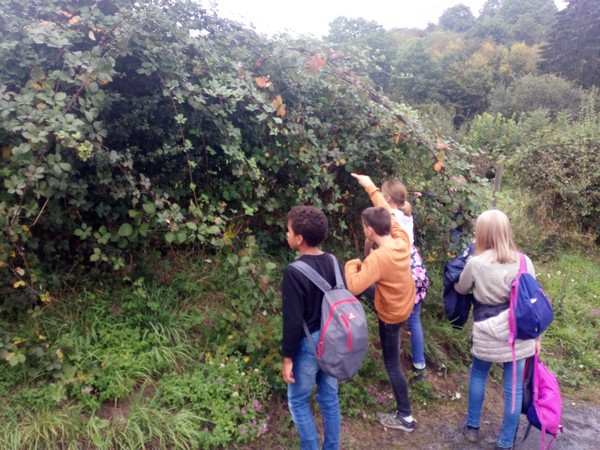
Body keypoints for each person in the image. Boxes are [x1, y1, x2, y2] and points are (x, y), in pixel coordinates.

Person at [454, 209, 541, 450]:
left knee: (478, 374)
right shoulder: (524, 261)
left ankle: (472, 429)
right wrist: (537, 337)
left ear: (481, 233)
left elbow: (461, 289)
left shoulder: (475, 263)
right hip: (519, 332)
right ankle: (505, 443)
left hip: (486, 329)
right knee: (513, 388)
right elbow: (533, 300)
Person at [344, 173, 416, 432]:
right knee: (369, 288)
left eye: (364, 227)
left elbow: (354, 284)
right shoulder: (401, 240)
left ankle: (405, 417)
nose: (364, 230)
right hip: (403, 301)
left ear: (370, 231)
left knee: (392, 363)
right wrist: (369, 186)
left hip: (391, 314)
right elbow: (388, 211)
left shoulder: (378, 258)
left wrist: (352, 263)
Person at [281, 205, 341, 450]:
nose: (286, 235)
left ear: (299, 238)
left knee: (298, 401)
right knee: (329, 399)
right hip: (334, 339)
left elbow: (293, 321)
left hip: (309, 344)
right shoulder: (334, 262)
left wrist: (287, 358)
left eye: (288, 230)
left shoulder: (293, 272)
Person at [364, 179, 431, 381]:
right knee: (414, 319)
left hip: (404, 271)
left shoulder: (392, 218)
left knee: (395, 315)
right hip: (417, 268)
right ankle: (419, 365)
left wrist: (366, 252)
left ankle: (393, 359)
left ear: (386, 198)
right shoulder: (407, 215)